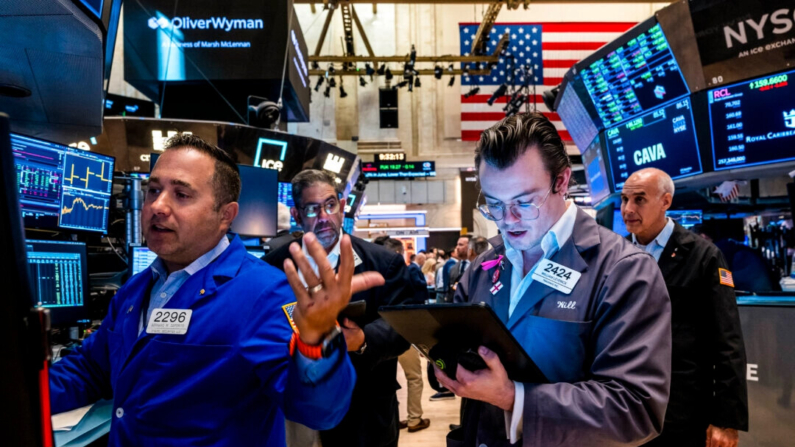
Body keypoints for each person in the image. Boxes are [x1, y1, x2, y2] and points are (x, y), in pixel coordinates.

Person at [48, 134, 381, 446]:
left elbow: (319, 412)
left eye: (181, 194)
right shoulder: (134, 290)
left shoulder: (264, 294)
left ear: (226, 215)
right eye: (153, 190)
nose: (158, 206)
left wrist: (317, 341)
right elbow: (90, 369)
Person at [443, 112, 672, 446]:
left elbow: (636, 407)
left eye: (524, 202)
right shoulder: (485, 265)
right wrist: (445, 365)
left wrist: (515, 398)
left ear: (562, 182)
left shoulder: (624, 270)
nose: (508, 220)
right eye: (494, 204)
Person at [265, 170, 415, 447]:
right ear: (297, 216)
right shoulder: (275, 265)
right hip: (295, 406)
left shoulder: (383, 263)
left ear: (342, 206)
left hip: (365, 409)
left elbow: (402, 326)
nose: (323, 217)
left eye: (330, 205)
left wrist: (363, 339)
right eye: (312, 209)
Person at [621, 168, 748, 447]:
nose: (628, 209)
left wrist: (726, 419)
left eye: (639, 199)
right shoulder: (614, 255)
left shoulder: (703, 256)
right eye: (624, 199)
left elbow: (728, 341)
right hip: (624, 407)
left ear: (665, 202)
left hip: (682, 410)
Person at [375, 237, 432, 434]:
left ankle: (397, 418)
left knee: (386, 378)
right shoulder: (408, 273)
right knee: (414, 377)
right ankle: (414, 418)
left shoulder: (371, 272)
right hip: (402, 332)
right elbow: (416, 304)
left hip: (377, 336)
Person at [446, 235, 473, 302]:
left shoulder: (476, 266)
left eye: (461, 245)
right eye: (457, 244)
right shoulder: (453, 268)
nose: (457, 247)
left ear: (470, 247)